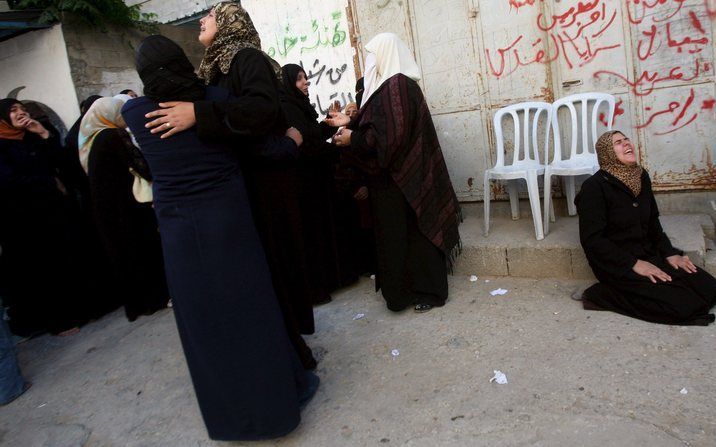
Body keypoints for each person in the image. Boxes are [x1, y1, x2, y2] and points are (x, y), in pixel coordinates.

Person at [123, 34, 317, 441]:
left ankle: (233, 422)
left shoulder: (136, 111)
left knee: (207, 330)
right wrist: (290, 140)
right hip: (229, 224)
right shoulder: (214, 101)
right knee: (253, 318)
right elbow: (258, 130)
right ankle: (278, 409)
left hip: (179, 234)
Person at [143, 1, 318, 369]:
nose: (202, 21)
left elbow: (260, 111)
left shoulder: (246, 58)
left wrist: (198, 114)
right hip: (239, 183)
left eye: (210, 15)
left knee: (273, 269)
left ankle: (293, 354)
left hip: (264, 182)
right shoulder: (216, 65)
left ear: (228, 23)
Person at [326, 33, 461, 313]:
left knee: (416, 233)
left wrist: (355, 139)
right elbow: (382, 119)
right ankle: (406, 291)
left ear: (387, 54)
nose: (370, 61)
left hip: (403, 177)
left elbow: (393, 135)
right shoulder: (392, 85)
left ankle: (429, 291)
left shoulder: (397, 84)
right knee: (399, 236)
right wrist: (351, 120)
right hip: (394, 178)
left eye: (373, 54)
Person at [575, 130, 716, 325]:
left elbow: (652, 221)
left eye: (626, 139)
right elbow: (593, 240)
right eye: (618, 142)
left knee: (709, 288)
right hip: (617, 264)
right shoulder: (594, 187)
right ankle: (600, 295)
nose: (626, 144)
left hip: (649, 253)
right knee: (684, 307)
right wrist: (634, 264)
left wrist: (670, 253)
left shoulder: (641, 176)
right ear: (607, 152)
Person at [0, 98, 91, 336]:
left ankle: (82, 309)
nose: (20, 113)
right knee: (45, 271)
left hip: (55, 211)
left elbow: (60, 162)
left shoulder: (32, 135)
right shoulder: (2, 146)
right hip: (26, 220)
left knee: (69, 259)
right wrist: (48, 182)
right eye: (13, 111)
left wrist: (42, 134)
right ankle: (58, 322)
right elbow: (9, 182)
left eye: (22, 108)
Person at [79, 97, 169, 322]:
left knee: (126, 255)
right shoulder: (112, 135)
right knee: (143, 249)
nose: (123, 117)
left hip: (109, 210)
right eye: (119, 112)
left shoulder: (91, 140)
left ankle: (140, 303)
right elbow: (139, 163)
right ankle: (156, 297)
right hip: (128, 208)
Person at [281, 63, 352, 302]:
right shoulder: (288, 108)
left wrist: (327, 125)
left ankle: (334, 279)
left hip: (318, 179)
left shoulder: (300, 107)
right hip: (306, 182)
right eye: (300, 79)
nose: (305, 82)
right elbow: (306, 146)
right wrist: (336, 151)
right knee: (313, 233)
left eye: (305, 78)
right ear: (289, 83)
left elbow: (311, 135)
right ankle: (318, 289)